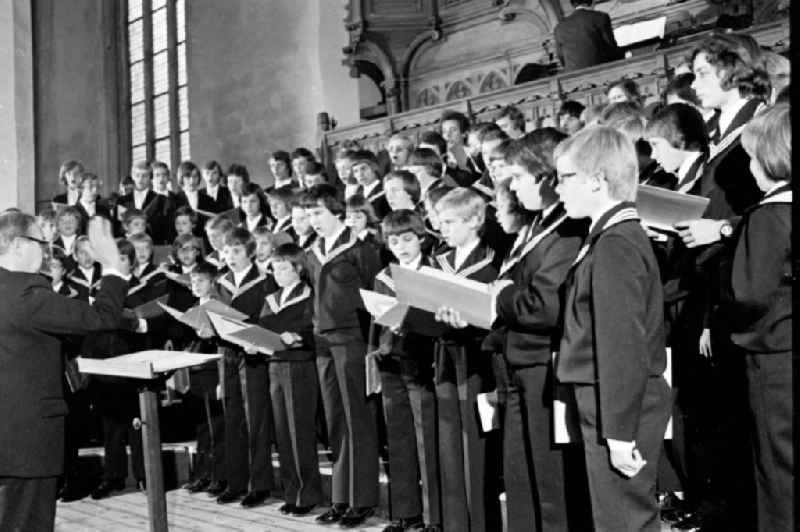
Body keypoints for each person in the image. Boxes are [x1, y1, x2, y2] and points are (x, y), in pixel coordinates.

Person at [554, 127, 671, 532]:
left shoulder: (615, 243)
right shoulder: (611, 235)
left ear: (597, 180)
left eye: (565, 177)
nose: (557, 188)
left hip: (619, 405)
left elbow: (622, 344)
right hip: (610, 400)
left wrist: (619, 431)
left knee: (624, 521)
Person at [0, 214, 128, 532]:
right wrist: (112, 266)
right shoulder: (27, 295)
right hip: (27, 445)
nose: (47, 251)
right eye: (41, 243)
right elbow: (103, 317)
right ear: (17, 245)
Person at [498, 137, 589, 531]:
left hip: (543, 364)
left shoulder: (567, 228)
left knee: (550, 481)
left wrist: (497, 298)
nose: (512, 188)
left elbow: (544, 306)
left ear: (546, 176)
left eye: (518, 177)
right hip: (517, 359)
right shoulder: (536, 223)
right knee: (521, 477)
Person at [724, 103, 792, 532]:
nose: (748, 166)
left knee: (778, 473)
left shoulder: (768, 216)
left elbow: (748, 293)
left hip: (773, 359)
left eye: (751, 155)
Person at [303, 184, 382, 527]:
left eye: (318, 212)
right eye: (308, 214)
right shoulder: (311, 252)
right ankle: (340, 496)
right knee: (335, 421)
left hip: (352, 339)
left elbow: (376, 297)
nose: (313, 220)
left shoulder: (361, 250)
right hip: (322, 342)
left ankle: (362, 500)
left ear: (337, 211)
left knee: (357, 420)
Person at [432, 187, 500, 532]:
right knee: (449, 445)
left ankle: (481, 525)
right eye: (440, 221)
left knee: (476, 446)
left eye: (449, 222)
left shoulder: (492, 260)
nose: (442, 229)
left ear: (475, 220)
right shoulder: (439, 261)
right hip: (445, 358)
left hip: (477, 361)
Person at [372, 210, 442, 532]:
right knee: (398, 439)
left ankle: (432, 516)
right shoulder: (384, 276)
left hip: (420, 362)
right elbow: (377, 322)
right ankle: (405, 512)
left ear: (421, 238)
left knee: (425, 438)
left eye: (407, 238)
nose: (400, 245)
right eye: (394, 240)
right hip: (390, 362)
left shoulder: (435, 271)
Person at [253, 243, 323, 516]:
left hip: (300, 367)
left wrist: (299, 338)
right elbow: (263, 329)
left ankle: (308, 494)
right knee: (282, 433)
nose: (278, 273)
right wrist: (253, 342)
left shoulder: (310, 297)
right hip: (275, 366)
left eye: (284, 268)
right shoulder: (271, 299)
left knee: (300, 432)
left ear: (298, 269)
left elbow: (315, 330)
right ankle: (292, 492)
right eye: (275, 268)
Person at [214, 228, 276, 507]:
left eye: (236, 250)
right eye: (226, 251)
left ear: (250, 252)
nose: (230, 256)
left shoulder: (264, 281)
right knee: (232, 419)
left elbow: (270, 319)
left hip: (253, 356)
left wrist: (256, 337)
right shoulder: (221, 283)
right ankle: (235, 482)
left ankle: (259, 484)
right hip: (227, 355)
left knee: (256, 422)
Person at [553, 0, 623, 72]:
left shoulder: (559, 27)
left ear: (572, 5)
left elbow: (561, 56)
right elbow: (611, 47)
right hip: (600, 71)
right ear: (591, 2)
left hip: (573, 76)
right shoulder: (600, 17)